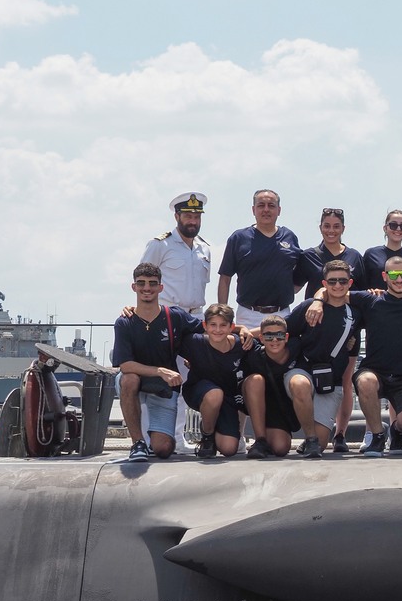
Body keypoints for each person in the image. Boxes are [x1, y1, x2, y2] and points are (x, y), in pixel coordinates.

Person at [331, 255, 402, 456]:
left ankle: (396, 430)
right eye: (393, 275)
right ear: (385, 276)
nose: (399, 279)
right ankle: (377, 435)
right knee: (366, 381)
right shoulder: (371, 299)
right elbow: (331, 292)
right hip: (374, 372)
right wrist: (316, 302)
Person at [141, 191, 212, 454]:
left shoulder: (204, 248)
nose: (192, 220)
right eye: (188, 215)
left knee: (186, 378)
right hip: (167, 316)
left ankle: (179, 439)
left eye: (196, 216)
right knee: (158, 381)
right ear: (177, 216)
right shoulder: (160, 245)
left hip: (195, 318)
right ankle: (149, 440)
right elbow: (142, 280)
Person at [112, 262, 205, 462]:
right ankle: (138, 443)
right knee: (129, 378)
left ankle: (155, 440)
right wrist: (160, 371)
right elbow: (125, 365)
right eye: (141, 283)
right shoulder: (124, 322)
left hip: (164, 387)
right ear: (134, 287)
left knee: (163, 449)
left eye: (152, 283)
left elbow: (210, 329)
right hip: (137, 382)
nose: (147, 288)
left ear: (161, 287)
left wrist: (239, 329)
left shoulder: (175, 316)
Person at [297, 207, 365, 452]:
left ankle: (340, 434)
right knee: (312, 377)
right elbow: (293, 286)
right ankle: (313, 431)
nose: (331, 230)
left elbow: (361, 294)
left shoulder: (355, 256)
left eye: (336, 226)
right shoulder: (309, 256)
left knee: (345, 380)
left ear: (343, 228)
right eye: (327, 226)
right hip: (316, 328)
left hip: (346, 327)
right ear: (320, 228)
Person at [283, 260, 360, 458]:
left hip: (331, 381)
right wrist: (242, 331)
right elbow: (280, 329)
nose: (337, 285)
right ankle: (310, 440)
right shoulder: (308, 307)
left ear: (350, 283)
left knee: (323, 441)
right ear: (324, 284)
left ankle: (315, 439)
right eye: (332, 281)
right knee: (300, 384)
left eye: (342, 281)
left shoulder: (355, 313)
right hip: (304, 370)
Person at [218, 189, 302, 330]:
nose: (266, 210)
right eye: (261, 205)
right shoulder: (239, 238)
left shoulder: (290, 237)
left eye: (271, 205)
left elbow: (301, 272)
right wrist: (223, 314)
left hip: (282, 315)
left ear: (279, 210)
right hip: (248, 316)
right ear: (253, 210)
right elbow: (225, 278)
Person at [179, 303, 248, 458]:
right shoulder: (194, 342)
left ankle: (214, 424)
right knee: (215, 394)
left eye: (223, 325)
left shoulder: (241, 344)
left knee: (229, 449)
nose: (217, 330)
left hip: (227, 397)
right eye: (213, 325)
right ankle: (207, 435)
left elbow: (266, 338)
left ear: (231, 327)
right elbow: (167, 335)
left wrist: (245, 329)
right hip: (199, 391)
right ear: (205, 326)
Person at [240, 315, 303, 458]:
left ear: (286, 337)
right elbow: (222, 335)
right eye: (269, 336)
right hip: (257, 399)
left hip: (280, 405)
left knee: (280, 448)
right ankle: (260, 440)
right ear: (261, 338)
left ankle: (269, 435)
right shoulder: (252, 352)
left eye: (279, 336)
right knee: (255, 380)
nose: (274, 340)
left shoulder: (297, 347)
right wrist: (242, 328)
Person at [362, 209, 402, 292]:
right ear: (385, 228)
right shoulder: (371, 254)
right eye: (393, 225)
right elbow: (362, 284)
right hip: (377, 299)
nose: (398, 229)